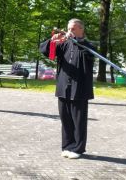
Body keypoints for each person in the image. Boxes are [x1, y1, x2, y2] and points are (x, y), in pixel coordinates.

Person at [40, 18, 95, 159]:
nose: (70, 31)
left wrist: (78, 41)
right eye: (69, 29)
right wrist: (52, 40)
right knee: (65, 119)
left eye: (73, 29)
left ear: (81, 29)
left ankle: (77, 148)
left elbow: (88, 54)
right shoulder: (64, 44)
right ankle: (67, 146)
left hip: (80, 89)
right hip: (64, 87)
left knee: (78, 120)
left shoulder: (88, 46)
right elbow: (45, 50)